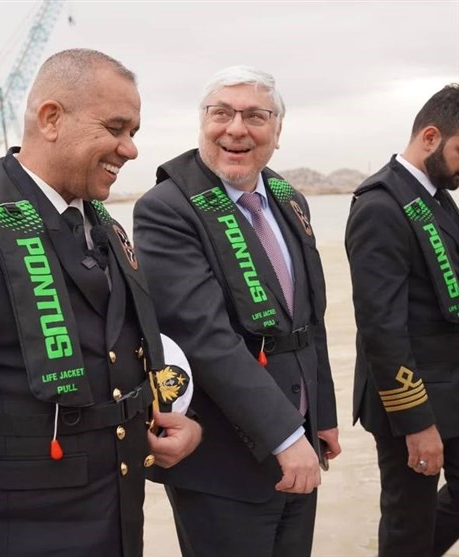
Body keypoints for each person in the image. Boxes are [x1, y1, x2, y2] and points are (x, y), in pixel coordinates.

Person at [0, 48, 201, 557]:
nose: (130, 149)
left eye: (134, 132)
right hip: (17, 533)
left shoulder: (106, 229)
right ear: (51, 119)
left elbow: (116, 357)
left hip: (116, 522)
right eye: (115, 128)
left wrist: (168, 417)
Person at [133, 65, 340, 557]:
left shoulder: (288, 200)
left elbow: (309, 320)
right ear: (202, 123)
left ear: (277, 131)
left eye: (255, 116)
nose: (236, 129)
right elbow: (204, 337)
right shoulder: (168, 208)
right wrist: (285, 436)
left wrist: (322, 416)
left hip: (299, 444)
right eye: (221, 113)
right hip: (223, 459)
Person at [345, 84, 459, 557]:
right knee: (408, 522)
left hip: (450, 389)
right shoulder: (380, 206)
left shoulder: (434, 196)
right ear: (430, 137)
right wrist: (417, 423)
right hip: (411, 402)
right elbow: (382, 329)